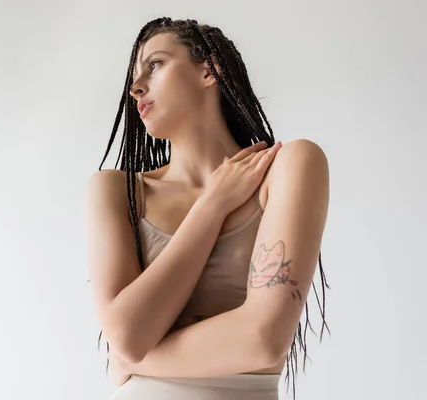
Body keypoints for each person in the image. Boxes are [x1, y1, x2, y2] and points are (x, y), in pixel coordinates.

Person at [85, 17, 331, 400]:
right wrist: (212, 205)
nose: (135, 87)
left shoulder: (290, 166)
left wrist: (133, 361)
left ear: (209, 70)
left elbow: (263, 340)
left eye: (156, 64)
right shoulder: (117, 190)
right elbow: (126, 334)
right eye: (134, 76)